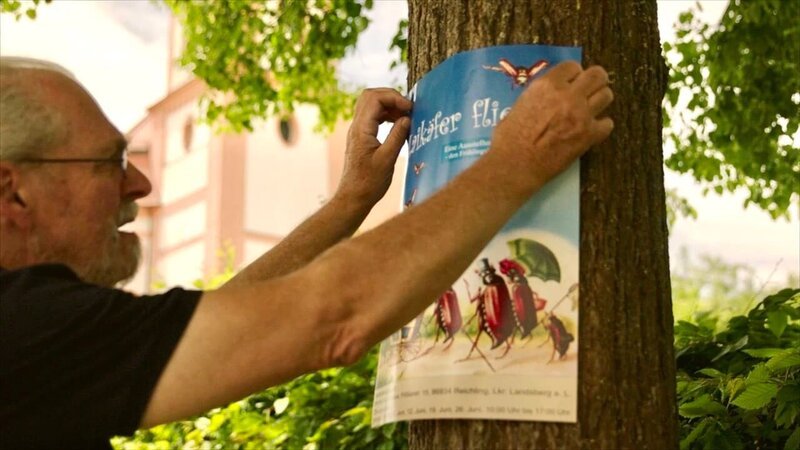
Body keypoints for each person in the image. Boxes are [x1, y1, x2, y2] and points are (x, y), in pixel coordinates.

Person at [0, 56, 613, 449]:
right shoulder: (22, 328)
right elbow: (330, 315)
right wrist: (518, 157)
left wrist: (349, 201)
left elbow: (224, 320)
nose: (139, 184)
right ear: (12, 191)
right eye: (110, 162)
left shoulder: (38, 334)